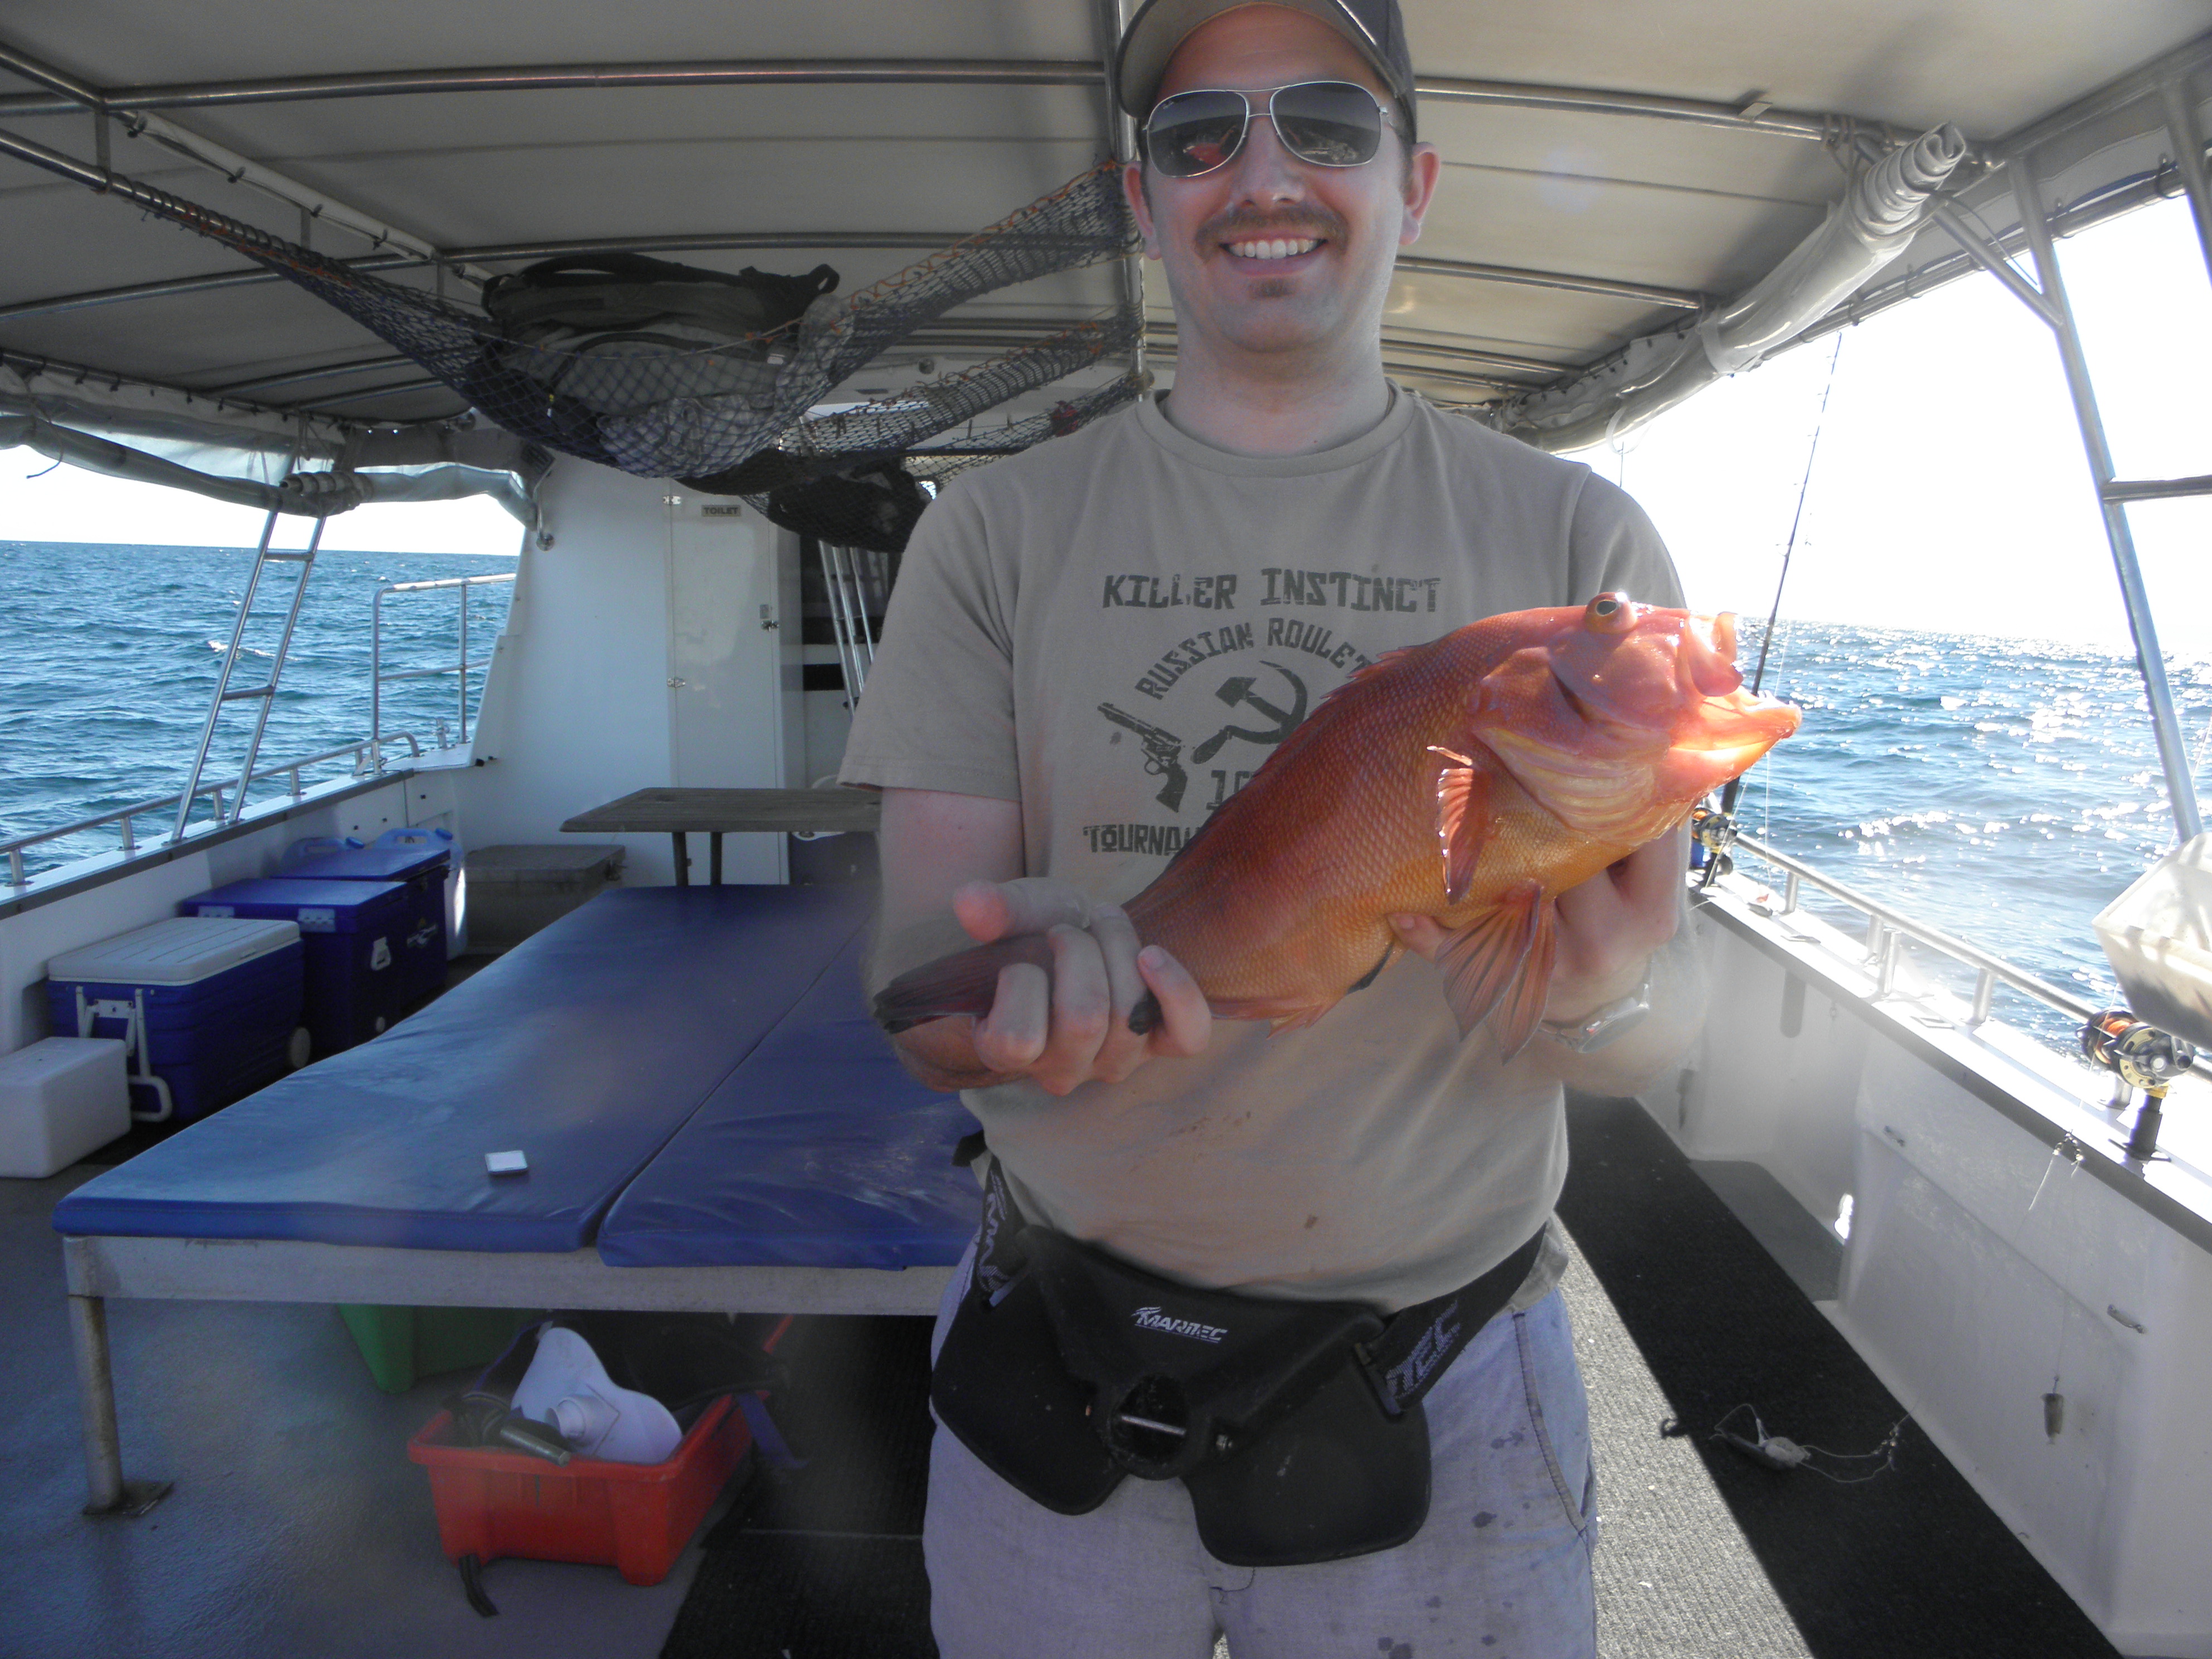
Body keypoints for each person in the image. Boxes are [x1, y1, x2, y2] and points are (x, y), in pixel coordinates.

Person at [838, 1, 1706, 1652]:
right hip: (1055, 1354)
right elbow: (918, 994)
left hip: (1453, 1387)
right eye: (1198, 135)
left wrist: (1604, 995)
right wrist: (1022, 1009)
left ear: (1413, 182)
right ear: (1141, 196)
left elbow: (1656, 1039)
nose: (1262, 174)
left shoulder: (1578, 540)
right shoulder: (991, 532)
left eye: (1327, 123)